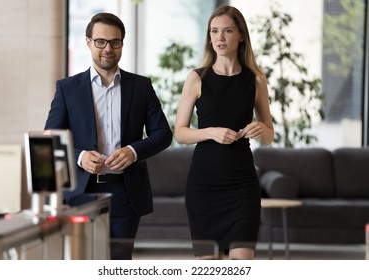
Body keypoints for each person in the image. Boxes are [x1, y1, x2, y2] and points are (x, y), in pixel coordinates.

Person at [44, 12, 172, 259]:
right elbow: (51, 139)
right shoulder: (67, 88)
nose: (108, 49)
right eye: (100, 41)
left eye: (115, 42)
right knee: (81, 261)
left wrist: (133, 151)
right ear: (88, 42)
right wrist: (80, 156)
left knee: (119, 263)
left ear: (122, 44)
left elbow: (163, 134)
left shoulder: (141, 86)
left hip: (125, 192)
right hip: (81, 192)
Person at [174, 5, 274, 260]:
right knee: (208, 266)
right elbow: (180, 133)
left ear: (241, 35)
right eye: (214, 31)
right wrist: (211, 132)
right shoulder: (196, 78)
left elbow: (269, 135)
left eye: (227, 31)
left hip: (242, 184)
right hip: (204, 184)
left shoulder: (256, 81)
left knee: (241, 263)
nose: (219, 37)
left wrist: (262, 128)